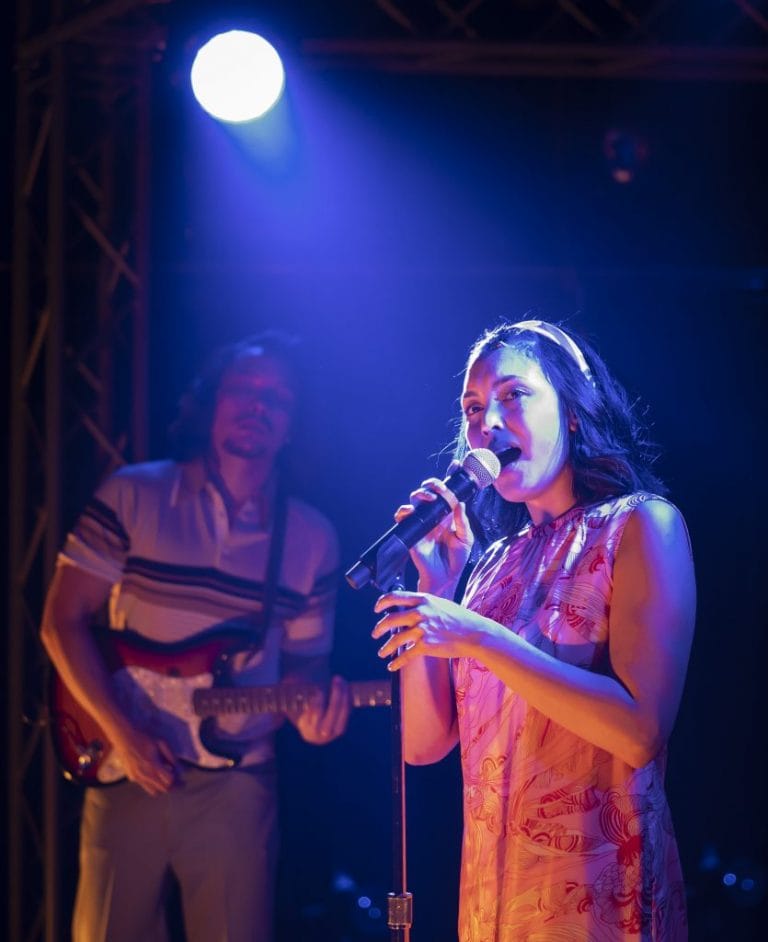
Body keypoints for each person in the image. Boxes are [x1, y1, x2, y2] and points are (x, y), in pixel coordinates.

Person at [371, 319, 695, 941]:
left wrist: (475, 636)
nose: (485, 423)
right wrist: (438, 590)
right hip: (494, 905)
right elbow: (423, 743)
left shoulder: (640, 527)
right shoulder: (491, 565)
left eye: (513, 395)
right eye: (471, 407)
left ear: (572, 412)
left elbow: (639, 732)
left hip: (597, 905)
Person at [41, 331, 350, 942]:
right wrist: (125, 737)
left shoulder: (311, 538)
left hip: (238, 784)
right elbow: (61, 621)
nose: (258, 406)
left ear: (292, 425)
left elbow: (304, 674)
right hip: (126, 764)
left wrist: (312, 715)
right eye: (244, 389)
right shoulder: (133, 494)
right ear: (212, 401)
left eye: (278, 399)